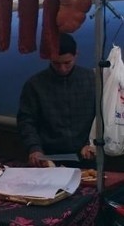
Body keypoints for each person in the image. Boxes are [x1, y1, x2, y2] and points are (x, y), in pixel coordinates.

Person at [17, 33, 96, 167]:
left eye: (67, 62)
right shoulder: (35, 85)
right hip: (48, 158)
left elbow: (102, 116)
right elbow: (26, 121)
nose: (62, 68)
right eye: (56, 63)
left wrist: (92, 143)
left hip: (86, 157)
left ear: (76, 55)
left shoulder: (92, 80)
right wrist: (34, 148)